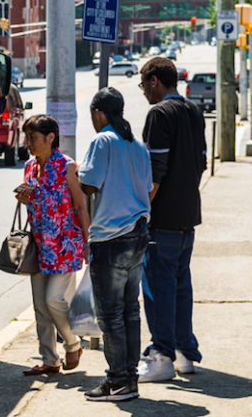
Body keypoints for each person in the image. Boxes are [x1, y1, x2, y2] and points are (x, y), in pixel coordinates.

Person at [78, 87, 153, 402]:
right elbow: (147, 188)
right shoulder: (137, 145)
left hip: (111, 238)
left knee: (110, 314)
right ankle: (129, 378)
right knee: (130, 311)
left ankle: (118, 381)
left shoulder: (102, 141)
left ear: (99, 113)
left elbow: (89, 184)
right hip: (138, 235)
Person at [137, 57, 207, 382]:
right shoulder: (194, 111)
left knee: (157, 289)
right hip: (188, 214)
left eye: (143, 85)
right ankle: (185, 353)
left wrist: (141, 211)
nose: (143, 93)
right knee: (181, 286)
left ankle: (162, 355)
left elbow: (154, 174)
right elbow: (202, 162)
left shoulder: (159, 114)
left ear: (154, 81)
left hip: (162, 217)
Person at [15, 115, 89, 376]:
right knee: (40, 306)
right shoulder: (29, 166)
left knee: (53, 301)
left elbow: (80, 205)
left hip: (65, 245)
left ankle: (72, 343)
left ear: (50, 138)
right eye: (27, 138)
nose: (29, 143)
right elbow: (35, 203)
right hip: (38, 245)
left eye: (33, 138)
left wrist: (88, 240)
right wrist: (24, 198)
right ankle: (49, 359)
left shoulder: (67, 167)